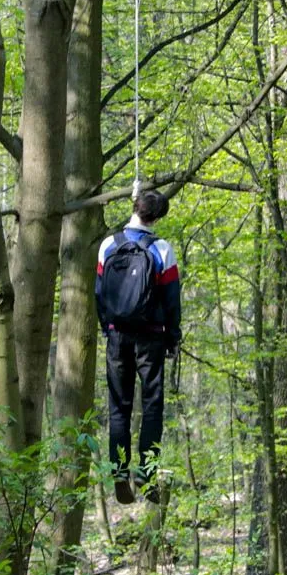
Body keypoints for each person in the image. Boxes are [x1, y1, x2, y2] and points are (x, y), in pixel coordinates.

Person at [95, 190, 181, 504]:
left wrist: (109, 328)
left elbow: (99, 293)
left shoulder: (109, 245)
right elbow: (171, 300)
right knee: (152, 406)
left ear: (134, 209)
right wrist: (172, 337)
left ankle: (119, 472)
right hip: (151, 337)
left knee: (119, 407)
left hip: (118, 336)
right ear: (157, 217)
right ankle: (146, 473)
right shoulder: (161, 249)